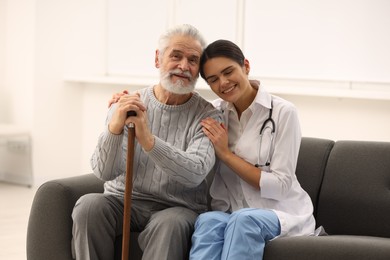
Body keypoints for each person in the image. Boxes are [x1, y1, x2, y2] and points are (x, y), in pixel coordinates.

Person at [71, 24, 222, 260]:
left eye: (193, 60)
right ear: (157, 59)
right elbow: (103, 171)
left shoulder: (208, 115)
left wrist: (148, 139)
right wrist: (114, 127)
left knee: (170, 224)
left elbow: (195, 173)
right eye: (176, 56)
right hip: (121, 201)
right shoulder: (128, 103)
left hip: (177, 207)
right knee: (88, 206)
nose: (184, 66)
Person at [188, 40, 316, 260]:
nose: (223, 83)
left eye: (228, 72)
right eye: (213, 80)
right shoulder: (214, 113)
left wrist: (226, 155)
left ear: (245, 66)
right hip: (232, 212)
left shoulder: (283, 112)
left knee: (244, 221)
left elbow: (281, 187)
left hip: (280, 212)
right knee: (208, 221)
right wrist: (129, 103)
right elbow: (175, 110)